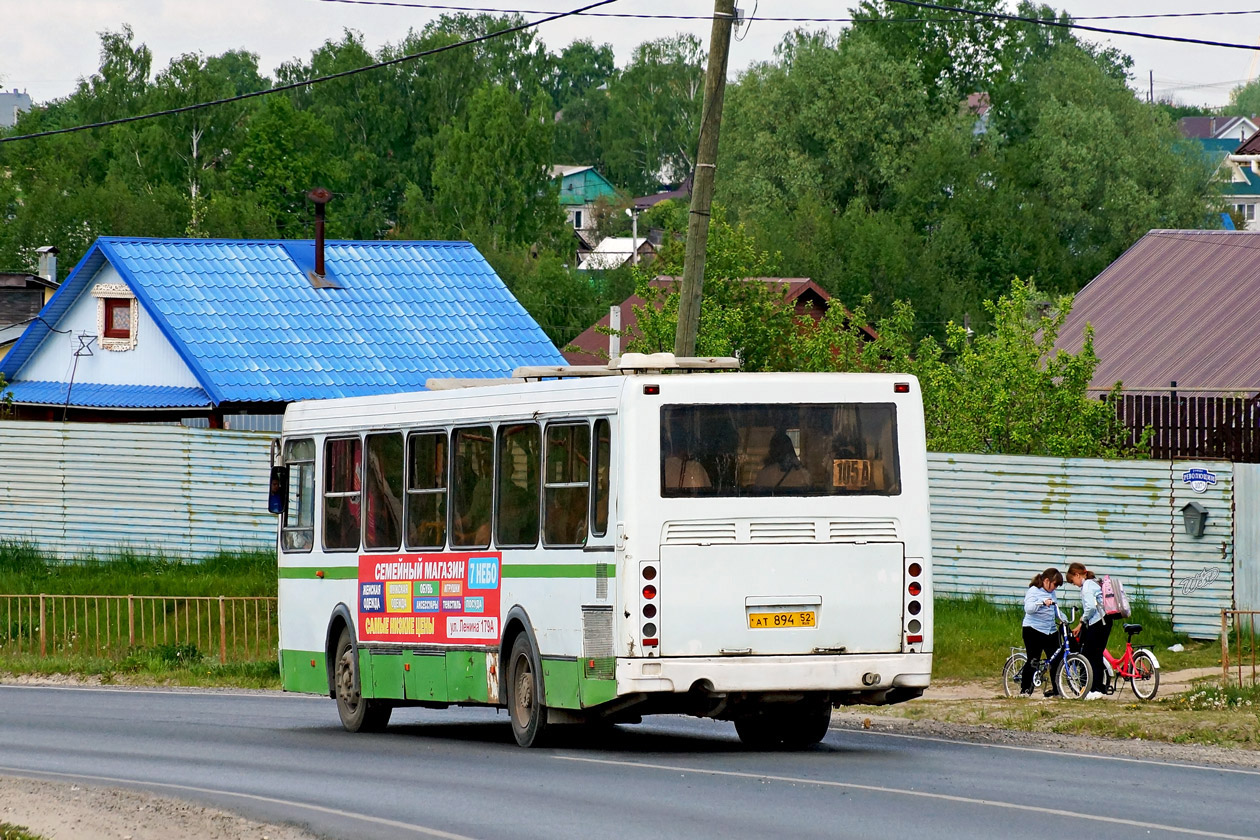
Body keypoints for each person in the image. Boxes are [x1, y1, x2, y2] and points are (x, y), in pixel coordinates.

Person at [1067, 561, 1112, 699]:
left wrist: (1082, 619)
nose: (1074, 584)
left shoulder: (1086, 586)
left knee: (1091, 655)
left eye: (1073, 581)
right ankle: (1096, 688)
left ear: (1077, 574)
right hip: (1104, 621)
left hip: (1099, 622)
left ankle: (1095, 689)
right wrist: (1082, 623)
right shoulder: (1093, 582)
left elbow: (1091, 608)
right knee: (1095, 654)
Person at [1020, 567, 1064, 697]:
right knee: (1033, 660)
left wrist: (1064, 620)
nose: (1055, 588)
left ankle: (1057, 690)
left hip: (1050, 630)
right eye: (1055, 584)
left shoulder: (1052, 593)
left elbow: (1056, 610)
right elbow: (1029, 608)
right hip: (1033, 630)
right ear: (1046, 580)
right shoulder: (1033, 591)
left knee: (1056, 660)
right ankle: (1025, 690)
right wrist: (1042, 602)